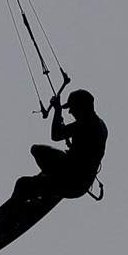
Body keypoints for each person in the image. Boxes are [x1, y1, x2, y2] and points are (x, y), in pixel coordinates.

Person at [12, 69, 107, 200]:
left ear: (82, 107)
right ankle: (46, 183)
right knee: (39, 158)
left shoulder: (84, 125)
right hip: (82, 183)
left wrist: (57, 111)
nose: (70, 112)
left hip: (71, 180)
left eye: (72, 108)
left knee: (23, 182)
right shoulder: (100, 125)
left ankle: (14, 212)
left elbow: (56, 135)